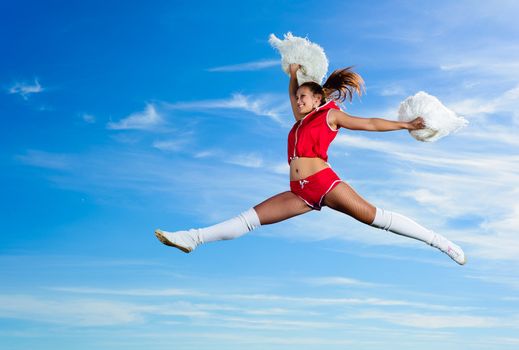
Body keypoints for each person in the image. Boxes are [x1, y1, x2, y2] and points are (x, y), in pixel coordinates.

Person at [155, 63, 466, 265]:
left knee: (376, 217)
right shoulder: (299, 120)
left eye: (305, 97)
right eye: (299, 98)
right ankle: (192, 239)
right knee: (248, 219)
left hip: (324, 184)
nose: (299, 101)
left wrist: (406, 125)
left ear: (318, 99)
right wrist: (293, 75)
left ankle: (439, 242)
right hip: (299, 192)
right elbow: (292, 95)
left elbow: (368, 123)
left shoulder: (330, 115)